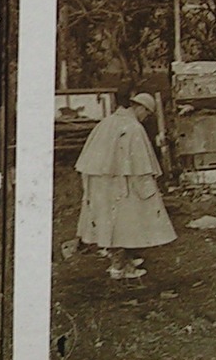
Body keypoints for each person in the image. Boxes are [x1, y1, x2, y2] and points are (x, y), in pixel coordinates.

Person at [75, 91, 177, 279]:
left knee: (111, 221)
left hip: (100, 179)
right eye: (146, 113)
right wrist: (149, 187)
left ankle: (123, 260)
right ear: (140, 108)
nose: (146, 118)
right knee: (120, 224)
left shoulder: (108, 121)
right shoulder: (132, 127)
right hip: (116, 181)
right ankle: (120, 268)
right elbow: (140, 166)